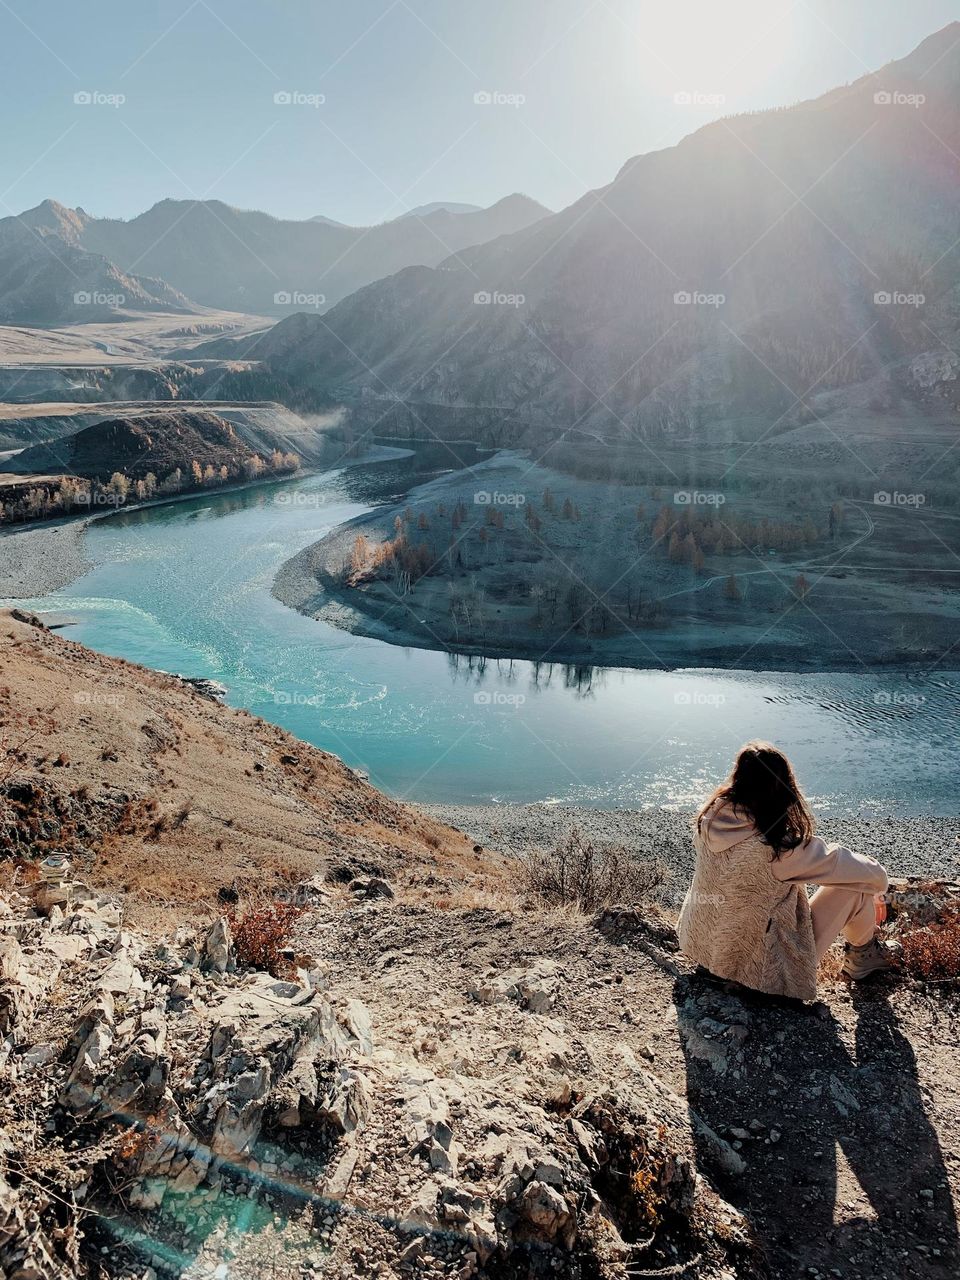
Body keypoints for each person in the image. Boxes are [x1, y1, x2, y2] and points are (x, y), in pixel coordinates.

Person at [677, 741, 894, 1000]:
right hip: (764, 971)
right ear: (783, 787)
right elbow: (869, 873)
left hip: (704, 948)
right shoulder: (778, 848)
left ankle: (863, 954)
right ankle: (863, 956)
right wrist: (878, 891)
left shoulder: (709, 818)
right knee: (855, 889)